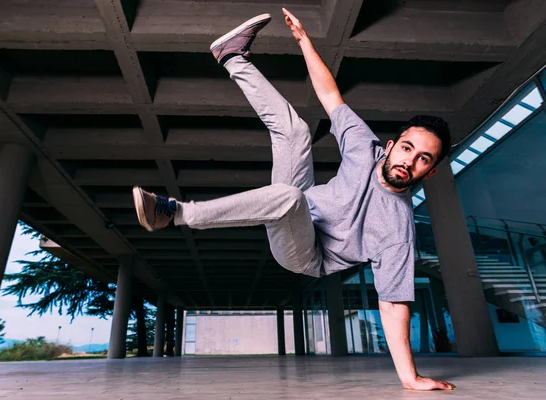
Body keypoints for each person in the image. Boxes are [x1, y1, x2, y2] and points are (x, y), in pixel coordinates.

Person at [132, 9, 455, 391]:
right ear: (390, 147)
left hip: (306, 254)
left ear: (428, 172)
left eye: (423, 159)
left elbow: (393, 304)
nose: (408, 162)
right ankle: (231, 57)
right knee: (295, 132)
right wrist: (304, 42)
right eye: (406, 148)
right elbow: (330, 94)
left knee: (287, 198)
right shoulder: (364, 148)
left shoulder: (398, 230)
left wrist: (410, 377)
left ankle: (175, 214)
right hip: (299, 202)